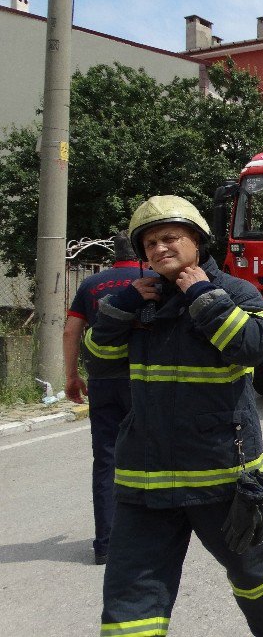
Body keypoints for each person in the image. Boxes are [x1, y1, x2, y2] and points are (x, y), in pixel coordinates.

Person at [91, 195, 263, 637]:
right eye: (149, 244)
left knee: (255, 575)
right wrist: (119, 309)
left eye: (170, 238)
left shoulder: (238, 293)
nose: (159, 249)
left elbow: (253, 348)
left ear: (197, 241)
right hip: (145, 482)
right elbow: (101, 361)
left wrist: (202, 294)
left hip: (221, 478)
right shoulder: (138, 303)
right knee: (131, 603)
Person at [63, 232, 145, 566]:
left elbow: (71, 330)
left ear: (113, 256)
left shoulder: (91, 285)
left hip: (102, 380)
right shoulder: (152, 278)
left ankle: (107, 544)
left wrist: (71, 375)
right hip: (144, 380)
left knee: (107, 458)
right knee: (150, 455)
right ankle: (149, 537)